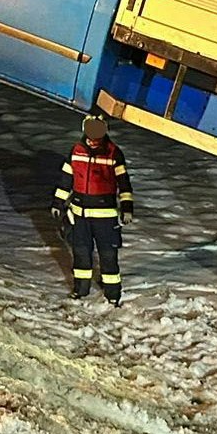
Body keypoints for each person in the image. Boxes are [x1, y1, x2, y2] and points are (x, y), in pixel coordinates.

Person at [52, 112, 133, 305]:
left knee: (108, 255)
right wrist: (58, 203)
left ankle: (113, 294)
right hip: (79, 216)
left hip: (105, 217)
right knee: (80, 253)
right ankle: (81, 290)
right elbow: (66, 180)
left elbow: (124, 183)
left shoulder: (114, 153)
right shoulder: (76, 151)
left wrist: (127, 208)